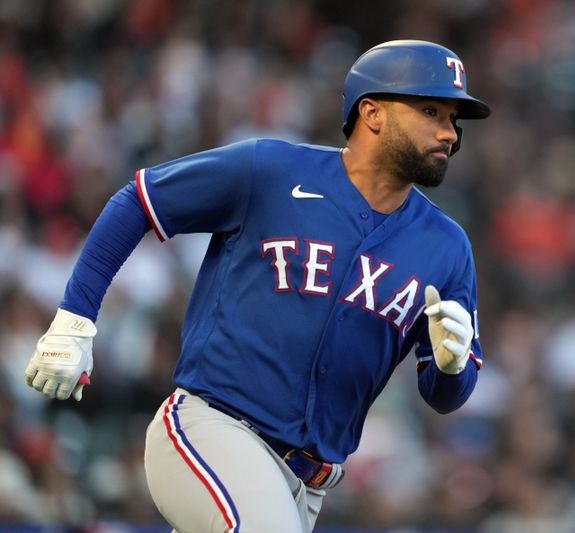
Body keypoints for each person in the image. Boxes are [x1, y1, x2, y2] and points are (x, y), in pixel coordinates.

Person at [21, 39, 490, 532]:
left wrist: (451, 365)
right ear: (371, 113)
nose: (449, 133)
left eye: (454, 119)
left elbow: (444, 395)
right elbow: (138, 201)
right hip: (213, 430)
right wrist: (75, 320)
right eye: (431, 110)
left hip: (307, 487)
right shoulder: (271, 170)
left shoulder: (447, 247)